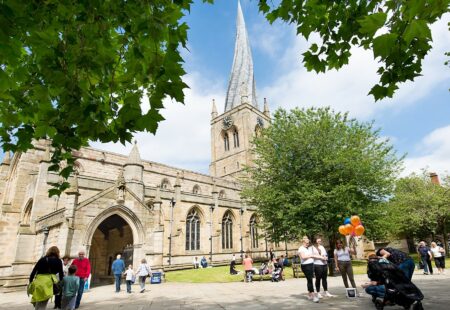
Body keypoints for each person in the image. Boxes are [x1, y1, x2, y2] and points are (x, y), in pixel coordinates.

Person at [28, 246, 64, 310]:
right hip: (49, 283)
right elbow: (61, 274)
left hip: (38, 282)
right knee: (43, 303)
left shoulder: (42, 259)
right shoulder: (58, 261)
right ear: (57, 252)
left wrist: (30, 281)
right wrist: (61, 284)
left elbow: (34, 271)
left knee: (38, 300)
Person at [298, 236, 322, 303]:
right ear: (303, 242)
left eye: (308, 243)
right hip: (305, 266)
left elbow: (314, 255)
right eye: (306, 243)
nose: (308, 244)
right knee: (310, 280)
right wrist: (311, 256)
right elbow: (303, 257)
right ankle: (313, 296)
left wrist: (322, 257)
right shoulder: (301, 249)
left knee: (309, 279)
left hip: (311, 265)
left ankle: (309, 294)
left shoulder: (309, 248)